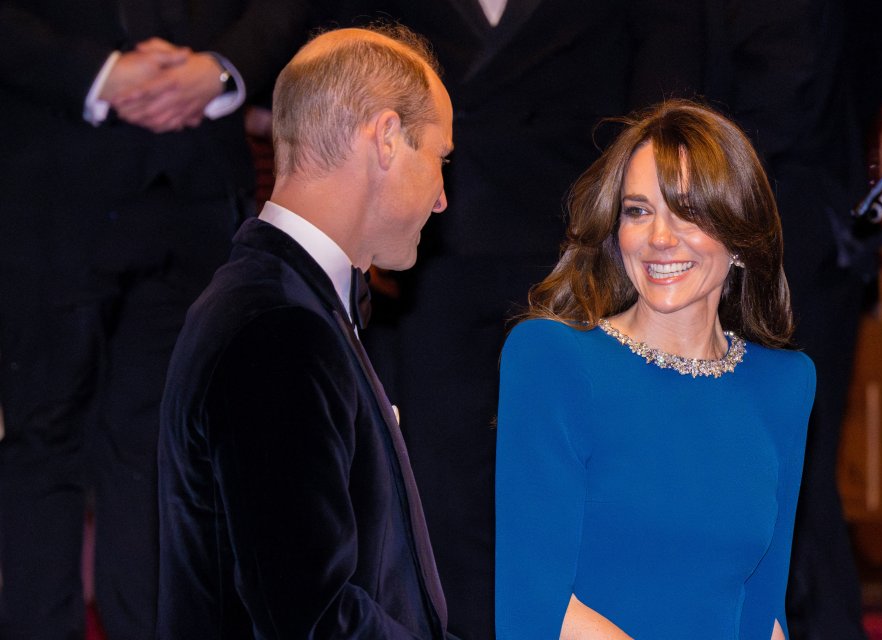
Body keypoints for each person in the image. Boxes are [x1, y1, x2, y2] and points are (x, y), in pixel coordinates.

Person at [335, 3, 702, 635]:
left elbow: (661, 101)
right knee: (439, 493)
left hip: (576, 254)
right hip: (429, 260)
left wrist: (636, 235)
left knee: (577, 489)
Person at [0, 2, 311, 637]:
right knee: (42, 438)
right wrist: (97, 72)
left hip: (195, 190)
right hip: (47, 179)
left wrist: (222, 69)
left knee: (162, 449)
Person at [156, 25, 453, 639]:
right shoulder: (278, 328)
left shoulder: (284, 303)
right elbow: (311, 619)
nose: (443, 198)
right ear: (388, 139)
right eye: (439, 159)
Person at [495, 100, 815, 639]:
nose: (660, 239)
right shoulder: (551, 360)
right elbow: (533, 609)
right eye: (638, 211)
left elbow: (765, 612)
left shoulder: (784, 384)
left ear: (739, 236)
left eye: (688, 211)